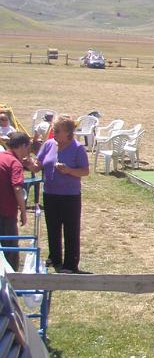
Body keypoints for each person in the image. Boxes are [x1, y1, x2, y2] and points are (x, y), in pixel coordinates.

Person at [29, 116, 91, 274]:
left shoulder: (77, 148)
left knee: (71, 229)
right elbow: (38, 166)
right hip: (50, 193)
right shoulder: (49, 144)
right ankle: (55, 258)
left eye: (57, 130)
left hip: (70, 196)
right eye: (53, 129)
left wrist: (69, 170)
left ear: (68, 133)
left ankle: (70, 264)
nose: (53, 133)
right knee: (52, 227)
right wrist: (30, 164)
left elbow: (85, 171)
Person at [0, 132, 34, 270]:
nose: (28, 152)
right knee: (10, 248)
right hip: (6, 212)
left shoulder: (1, 157)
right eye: (28, 148)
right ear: (22, 146)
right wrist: (24, 212)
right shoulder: (15, 163)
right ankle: (12, 281)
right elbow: (18, 189)